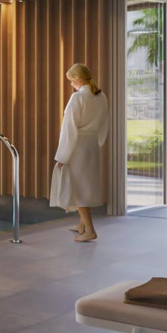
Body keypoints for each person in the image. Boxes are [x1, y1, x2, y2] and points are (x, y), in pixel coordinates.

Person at [51, 63, 109, 242]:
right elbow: (104, 124)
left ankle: (90, 230)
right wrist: (97, 141)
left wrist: (62, 156)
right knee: (86, 186)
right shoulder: (101, 96)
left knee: (77, 188)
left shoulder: (77, 98)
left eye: (71, 80)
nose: (70, 84)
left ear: (78, 79)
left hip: (77, 147)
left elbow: (69, 130)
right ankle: (82, 224)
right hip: (91, 144)